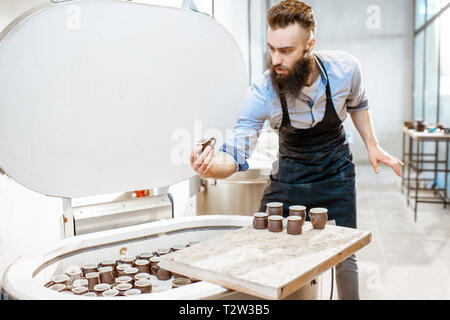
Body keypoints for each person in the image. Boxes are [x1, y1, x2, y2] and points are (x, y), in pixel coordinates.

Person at [190, 0, 404, 300]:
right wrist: (209, 166)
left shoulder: (346, 69)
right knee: (264, 242)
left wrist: (373, 145)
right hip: (289, 175)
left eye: (286, 51)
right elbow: (237, 152)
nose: (276, 59)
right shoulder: (263, 90)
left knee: (344, 253)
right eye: (271, 49)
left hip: (337, 173)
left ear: (309, 45)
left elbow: (358, 104)